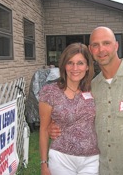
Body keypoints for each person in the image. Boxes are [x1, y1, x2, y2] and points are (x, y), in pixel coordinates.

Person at [50, 26, 123, 175]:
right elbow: (78, 119)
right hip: (103, 169)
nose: (101, 50)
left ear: (116, 45)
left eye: (106, 43)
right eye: (95, 45)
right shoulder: (92, 87)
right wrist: (53, 126)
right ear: (90, 50)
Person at [39, 43, 99, 175]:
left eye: (80, 63)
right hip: (61, 158)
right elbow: (43, 129)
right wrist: (43, 164)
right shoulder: (50, 92)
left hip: (91, 159)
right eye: (70, 63)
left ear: (88, 66)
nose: (75, 68)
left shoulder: (96, 89)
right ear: (64, 65)